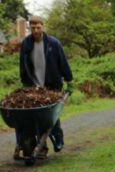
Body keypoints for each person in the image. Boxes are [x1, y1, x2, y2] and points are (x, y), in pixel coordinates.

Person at [16, 15, 73, 159]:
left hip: (51, 86)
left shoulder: (53, 43)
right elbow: (23, 65)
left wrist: (69, 80)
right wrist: (25, 84)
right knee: (31, 117)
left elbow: (63, 62)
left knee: (49, 118)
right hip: (33, 86)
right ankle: (37, 145)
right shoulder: (26, 44)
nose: (35, 30)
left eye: (38, 27)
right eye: (33, 27)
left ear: (43, 26)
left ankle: (56, 137)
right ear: (30, 27)